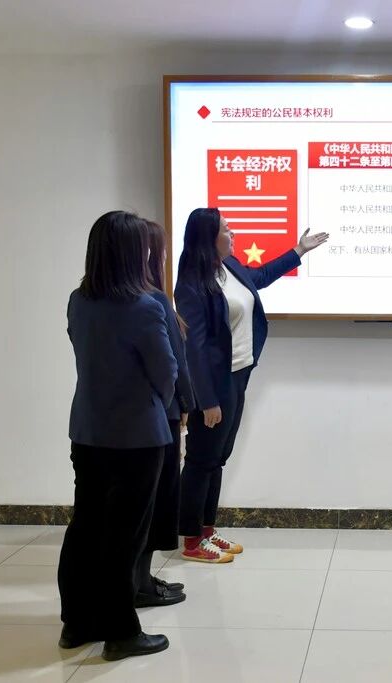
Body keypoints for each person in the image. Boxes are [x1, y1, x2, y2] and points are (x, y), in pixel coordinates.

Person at [175, 208, 329, 563]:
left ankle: (207, 531)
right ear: (209, 238)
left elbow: (260, 276)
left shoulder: (229, 267)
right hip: (214, 385)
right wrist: (207, 400)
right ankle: (191, 542)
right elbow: (195, 348)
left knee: (218, 458)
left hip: (239, 374)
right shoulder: (191, 284)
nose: (233, 234)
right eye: (227, 229)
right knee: (201, 460)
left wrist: (299, 250)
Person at [59, 210, 177, 661]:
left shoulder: (78, 300)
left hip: (88, 431)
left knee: (86, 526)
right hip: (137, 437)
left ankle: (77, 623)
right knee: (125, 536)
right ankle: (121, 632)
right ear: (132, 254)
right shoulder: (145, 306)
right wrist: (159, 403)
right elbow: (165, 372)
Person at [132, 220, 195, 607]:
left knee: (152, 505)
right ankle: (139, 584)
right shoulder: (152, 300)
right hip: (162, 414)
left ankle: (143, 579)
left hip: (156, 412)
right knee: (154, 505)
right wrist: (184, 404)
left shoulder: (146, 298)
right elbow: (173, 365)